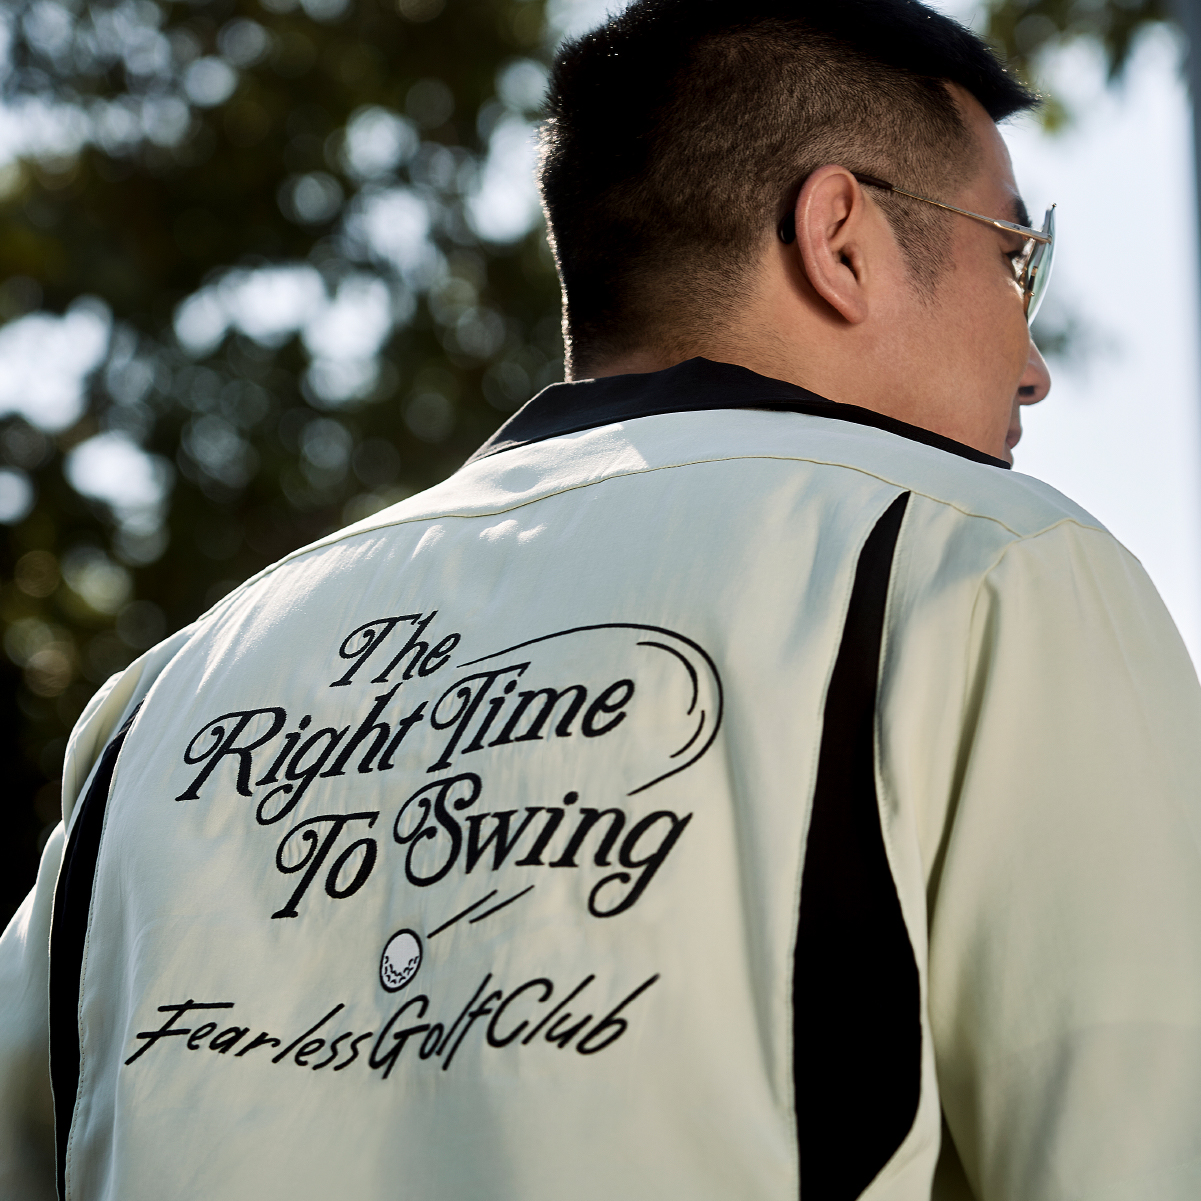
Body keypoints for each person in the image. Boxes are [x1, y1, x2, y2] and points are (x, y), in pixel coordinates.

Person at [4, 0, 1201, 1198]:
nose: (1033, 367)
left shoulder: (164, 701)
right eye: (1013, 257)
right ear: (841, 237)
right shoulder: (985, 573)